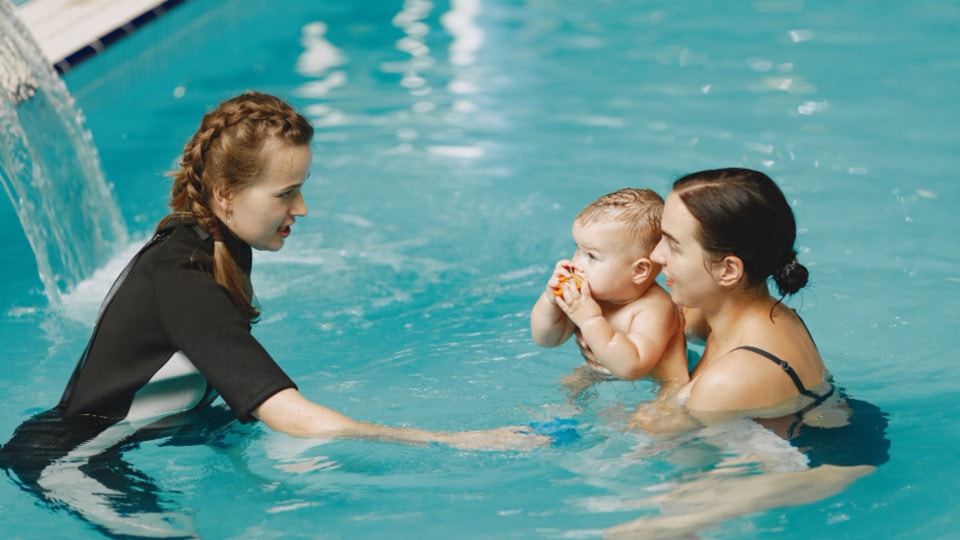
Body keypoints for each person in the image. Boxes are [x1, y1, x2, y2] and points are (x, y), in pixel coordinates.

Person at [0, 91, 545, 538]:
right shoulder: (184, 277)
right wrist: (454, 442)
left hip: (174, 427)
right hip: (71, 459)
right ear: (226, 194)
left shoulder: (220, 242)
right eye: (287, 193)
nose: (302, 209)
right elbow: (289, 413)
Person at [607, 168, 889, 537]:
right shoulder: (733, 311)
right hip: (821, 424)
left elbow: (658, 433)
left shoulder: (730, 379)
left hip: (815, 470)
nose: (657, 255)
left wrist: (667, 368)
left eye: (673, 245)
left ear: (728, 270)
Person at [530, 188, 689, 400]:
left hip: (659, 391)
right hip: (604, 377)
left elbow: (632, 367)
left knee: (653, 426)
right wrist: (551, 301)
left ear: (639, 271)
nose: (577, 263)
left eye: (592, 257)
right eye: (578, 249)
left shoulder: (654, 308)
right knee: (563, 393)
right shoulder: (590, 297)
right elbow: (547, 339)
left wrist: (590, 320)